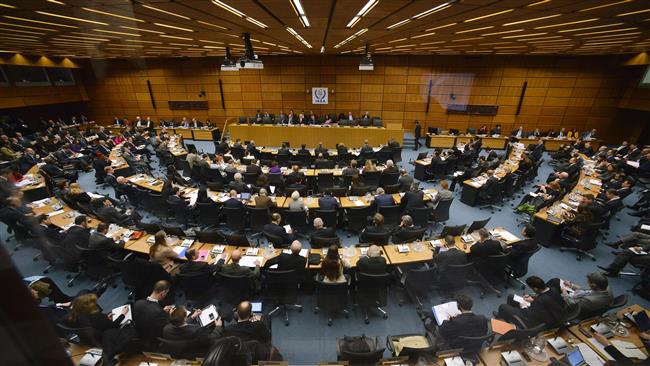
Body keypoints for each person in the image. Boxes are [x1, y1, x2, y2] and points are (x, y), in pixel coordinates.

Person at [496, 276, 567, 328]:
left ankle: (502, 319)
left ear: (535, 288)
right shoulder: (554, 289)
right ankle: (508, 317)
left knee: (503, 307)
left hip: (538, 323)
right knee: (511, 297)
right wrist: (533, 299)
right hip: (549, 314)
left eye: (531, 288)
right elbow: (549, 301)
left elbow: (528, 314)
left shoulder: (540, 301)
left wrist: (523, 306)